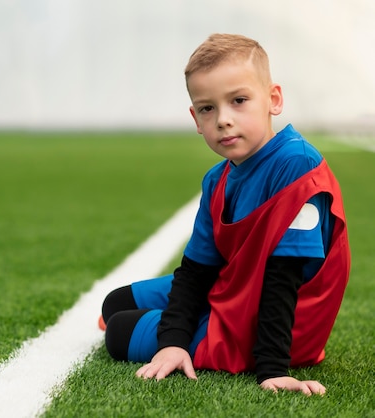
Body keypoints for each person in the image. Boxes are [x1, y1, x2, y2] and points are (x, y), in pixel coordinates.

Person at [100, 33, 350, 396]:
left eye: (238, 100)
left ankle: (205, 331)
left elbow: (284, 279)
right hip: (236, 288)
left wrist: (272, 370)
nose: (223, 120)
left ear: (273, 100)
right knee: (115, 304)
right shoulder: (218, 178)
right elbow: (196, 271)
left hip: (279, 325)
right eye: (207, 108)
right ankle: (184, 326)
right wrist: (173, 342)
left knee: (119, 332)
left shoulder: (297, 167)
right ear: (196, 119)